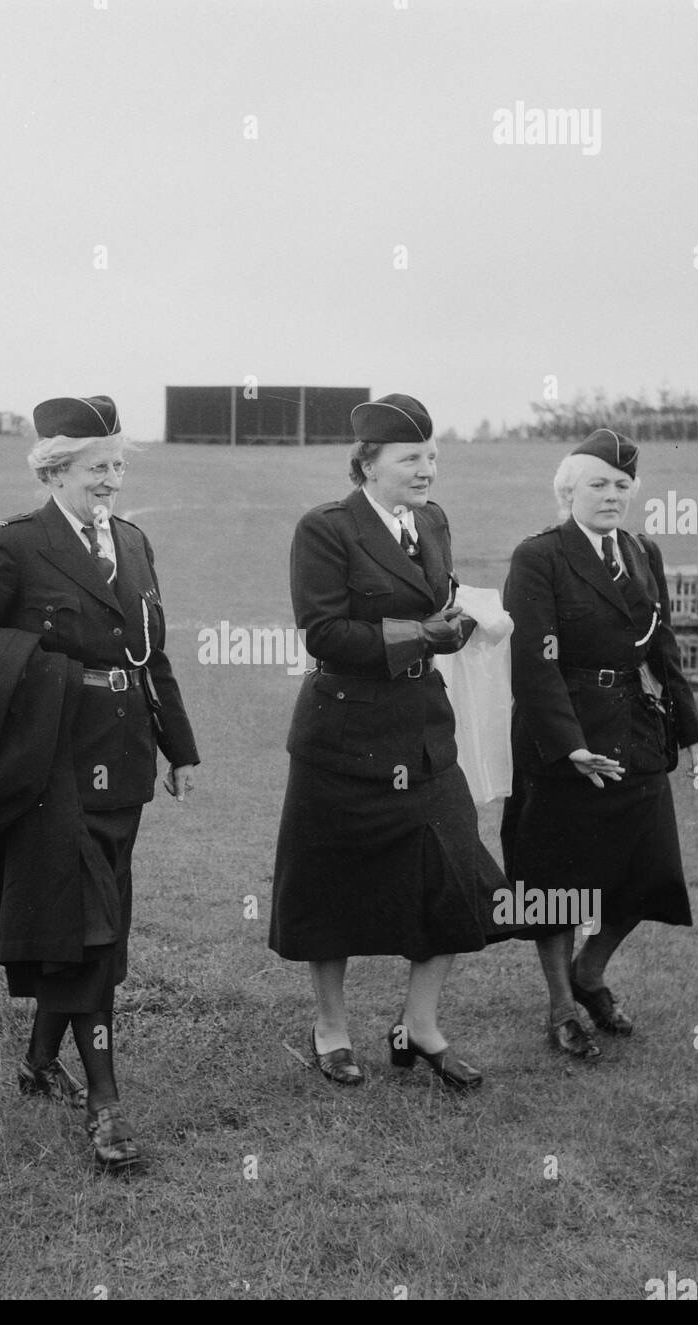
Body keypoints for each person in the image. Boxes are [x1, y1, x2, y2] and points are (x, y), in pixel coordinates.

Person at [0, 395, 199, 1172]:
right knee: (87, 932)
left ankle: (39, 1064)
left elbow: (152, 656)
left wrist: (182, 748)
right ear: (55, 468)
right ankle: (107, 1107)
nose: (111, 479)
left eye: (118, 465)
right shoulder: (16, 545)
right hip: (49, 767)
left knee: (94, 925)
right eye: (96, 466)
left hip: (126, 763)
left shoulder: (134, 543)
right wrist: (50, 681)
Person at [269, 393, 508, 1091]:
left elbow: (441, 597)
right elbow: (322, 632)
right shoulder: (327, 528)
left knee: (458, 877)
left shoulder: (431, 520)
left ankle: (420, 1028)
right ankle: (331, 1031)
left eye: (432, 456)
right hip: (343, 733)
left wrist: (465, 618)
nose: (426, 469)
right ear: (367, 464)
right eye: (411, 458)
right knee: (330, 886)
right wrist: (419, 634)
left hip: (422, 730)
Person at [501, 428, 698, 1060]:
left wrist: (692, 727)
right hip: (562, 730)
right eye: (598, 483)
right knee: (559, 874)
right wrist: (566, 745)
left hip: (636, 730)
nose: (612, 495)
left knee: (647, 870)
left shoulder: (644, 550)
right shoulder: (539, 555)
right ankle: (561, 1002)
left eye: (622, 485)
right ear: (569, 491)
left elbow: (663, 645)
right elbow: (532, 662)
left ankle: (590, 971)